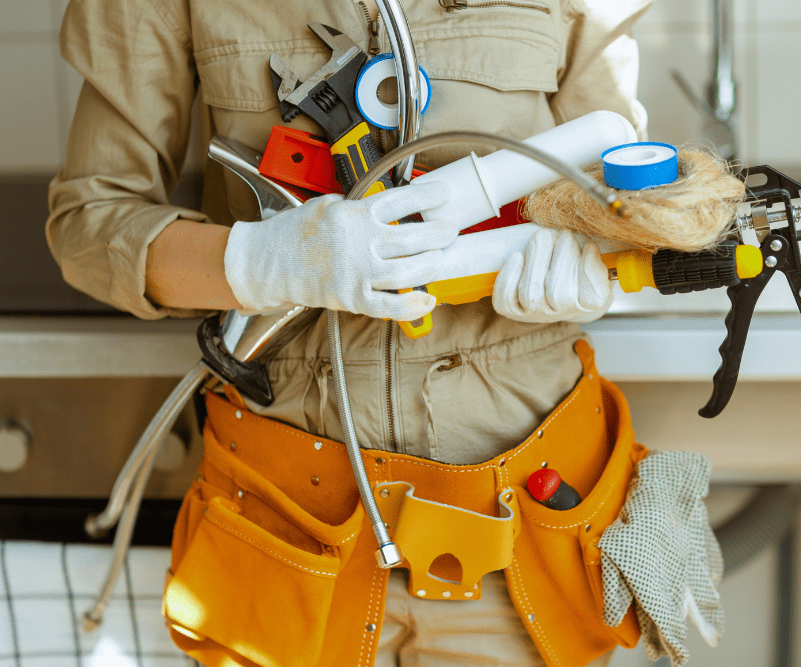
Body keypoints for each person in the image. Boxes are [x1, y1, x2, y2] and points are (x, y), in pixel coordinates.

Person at [46, 1, 670, 665]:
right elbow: (89, 224)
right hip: (287, 530)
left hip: (522, 531)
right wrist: (257, 261)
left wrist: (587, 254)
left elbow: (625, 182)